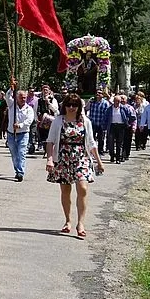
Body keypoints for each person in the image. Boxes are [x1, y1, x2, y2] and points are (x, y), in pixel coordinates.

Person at [44, 94, 105, 239]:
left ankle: (81, 223)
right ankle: (68, 221)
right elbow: (50, 141)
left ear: (79, 107)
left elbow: (91, 143)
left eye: (75, 105)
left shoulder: (85, 121)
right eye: (69, 105)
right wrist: (50, 159)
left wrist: (99, 161)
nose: (71, 108)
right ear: (64, 106)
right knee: (66, 190)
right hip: (63, 158)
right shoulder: (58, 121)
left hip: (81, 158)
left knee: (82, 188)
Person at [6, 87, 34, 182]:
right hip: (11, 134)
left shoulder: (29, 109)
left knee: (21, 153)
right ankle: (17, 169)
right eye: (21, 97)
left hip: (23, 134)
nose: (23, 99)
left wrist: (20, 125)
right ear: (17, 97)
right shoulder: (11, 105)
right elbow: (7, 96)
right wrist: (11, 88)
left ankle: (20, 172)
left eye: (25, 97)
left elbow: (29, 120)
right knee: (14, 154)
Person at [85, 90, 111, 156]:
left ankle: (100, 151)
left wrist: (106, 123)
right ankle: (92, 151)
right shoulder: (92, 102)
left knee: (101, 139)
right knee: (91, 138)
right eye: (96, 93)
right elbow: (86, 108)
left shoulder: (105, 103)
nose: (97, 94)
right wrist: (89, 101)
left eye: (99, 93)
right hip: (93, 123)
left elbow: (107, 114)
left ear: (102, 95)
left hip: (101, 123)